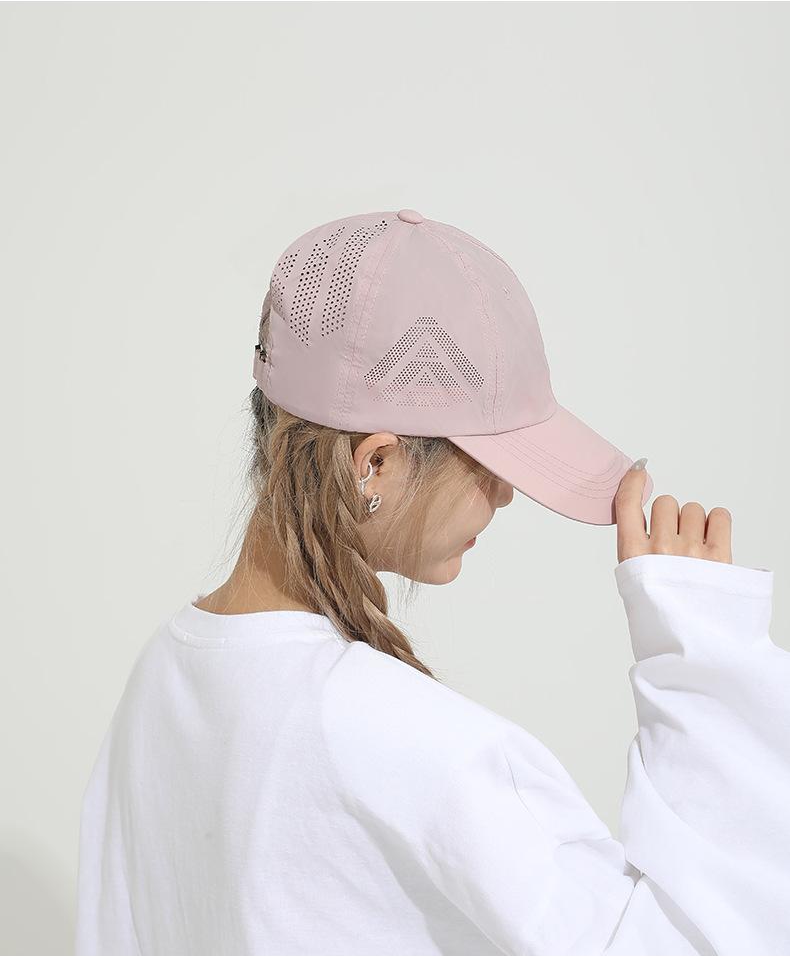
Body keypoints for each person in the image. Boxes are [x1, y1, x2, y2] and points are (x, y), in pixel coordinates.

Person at [75, 209, 789, 955]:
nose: (506, 494)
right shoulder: (399, 737)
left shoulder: (160, 681)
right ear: (375, 463)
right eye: (490, 463)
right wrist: (706, 670)